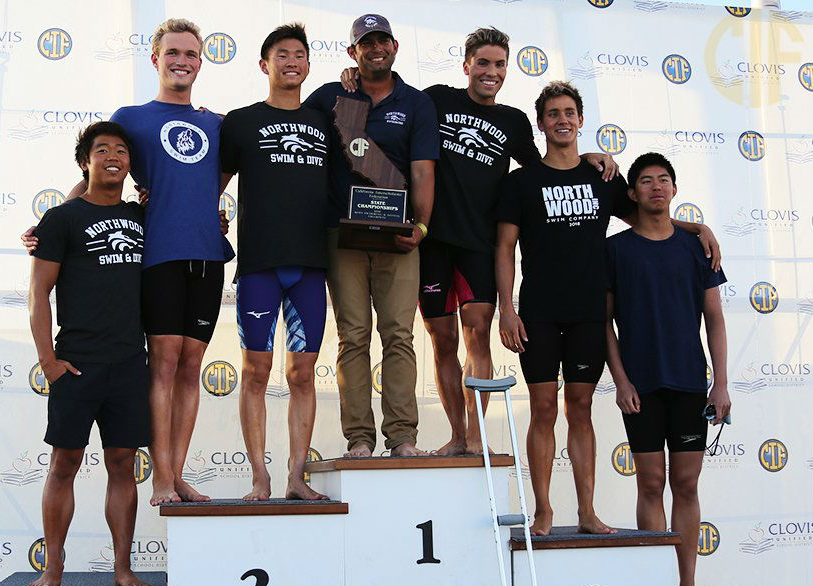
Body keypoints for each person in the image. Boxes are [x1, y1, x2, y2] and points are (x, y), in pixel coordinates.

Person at [337, 28, 618, 456]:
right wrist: (354, 80)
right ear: (466, 65)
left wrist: (591, 157)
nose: (491, 72)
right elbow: (390, 105)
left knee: (476, 337)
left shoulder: (513, 120)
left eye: (499, 64)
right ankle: (455, 433)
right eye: (483, 63)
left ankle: (475, 435)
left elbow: (547, 163)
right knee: (441, 340)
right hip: (430, 240)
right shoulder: (435, 98)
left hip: (480, 244)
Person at [495, 81, 721, 536]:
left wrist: (694, 226)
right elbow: (504, 248)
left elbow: (645, 216)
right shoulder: (521, 182)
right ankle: (543, 511)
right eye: (553, 113)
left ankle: (586, 512)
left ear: (580, 120)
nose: (562, 120)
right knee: (542, 407)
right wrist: (507, 308)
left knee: (579, 407)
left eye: (569, 112)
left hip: (588, 314)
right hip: (537, 311)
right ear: (541, 123)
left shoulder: (603, 177)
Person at [23, 19, 233, 506]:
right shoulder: (132, 118)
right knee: (162, 363)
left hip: (207, 255)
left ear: (201, 62)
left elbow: (212, 181)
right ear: (156, 59)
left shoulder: (216, 123)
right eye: (173, 52)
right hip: (158, 255)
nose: (182, 60)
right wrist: (59, 223)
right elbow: (100, 171)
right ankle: (160, 477)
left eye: (191, 54)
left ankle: (177, 474)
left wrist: (205, 210)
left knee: (191, 366)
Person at [304, 14, 439, 457]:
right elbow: (295, 135)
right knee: (353, 335)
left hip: (399, 237)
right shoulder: (331, 96)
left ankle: (402, 436)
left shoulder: (416, 103)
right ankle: (359, 438)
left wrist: (420, 226)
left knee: (399, 334)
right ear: (352, 52)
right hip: (342, 236)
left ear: (395, 47)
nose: (375, 49)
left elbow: (423, 170)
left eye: (382, 41)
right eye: (366, 43)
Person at [26, 122, 150, 586]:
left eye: (121, 150)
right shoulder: (60, 220)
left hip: (128, 363)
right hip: (76, 363)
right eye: (102, 150)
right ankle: (53, 567)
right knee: (64, 464)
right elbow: (39, 294)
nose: (113, 156)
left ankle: (123, 568)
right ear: (85, 162)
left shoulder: (142, 219)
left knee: (123, 464)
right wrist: (49, 362)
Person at [605, 152, 729, 586]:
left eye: (663, 180)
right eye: (645, 181)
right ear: (633, 192)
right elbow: (605, 323)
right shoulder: (615, 249)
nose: (655, 187)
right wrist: (620, 380)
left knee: (686, 484)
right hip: (641, 386)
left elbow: (714, 319)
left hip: (691, 384)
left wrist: (721, 383)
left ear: (674, 189)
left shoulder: (697, 247)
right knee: (651, 482)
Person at [219, 23, 329, 501]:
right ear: (265, 65)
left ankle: (295, 476)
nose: (291, 61)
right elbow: (209, 185)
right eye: (281, 54)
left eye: (299, 54)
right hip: (260, 266)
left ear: (308, 65)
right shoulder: (240, 121)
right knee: (256, 372)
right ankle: (259, 477)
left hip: (310, 265)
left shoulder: (327, 120)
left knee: (302, 374)